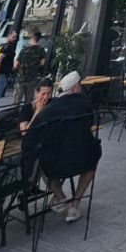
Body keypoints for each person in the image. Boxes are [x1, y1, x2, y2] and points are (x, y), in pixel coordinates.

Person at [23, 70, 101, 223]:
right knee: (94, 157)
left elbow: (29, 140)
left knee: (42, 160)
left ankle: (60, 197)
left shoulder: (48, 111)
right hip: (83, 160)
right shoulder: (86, 105)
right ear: (74, 88)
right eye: (79, 86)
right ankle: (75, 204)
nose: (81, 89)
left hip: (56, 166)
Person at [12, 31, 46, 105]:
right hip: (32, 78)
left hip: (21, 78)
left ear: (32, 38)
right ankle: (26, 112)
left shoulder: (24, 50)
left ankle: (15, 112)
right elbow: (42, 63)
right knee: (28, 101)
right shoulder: (41, 50)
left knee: (17, 100)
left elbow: (16, 65)